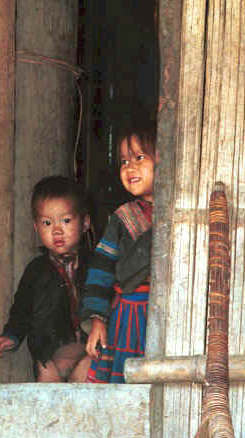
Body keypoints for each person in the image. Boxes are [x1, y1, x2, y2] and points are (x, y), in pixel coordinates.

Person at [0, 176, 92, 382]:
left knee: (82, 402)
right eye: (47, 223)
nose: (57, 230)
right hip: (49, 358)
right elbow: (22, 310)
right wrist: (11, 336)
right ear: (36, 227)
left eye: (66, 220)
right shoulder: (36, 270)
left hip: (87, 354)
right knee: (48, 407)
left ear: (85, 222)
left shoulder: (97, 266)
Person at [80, 118, 157, 383]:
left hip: (168, 318)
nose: (130, 167)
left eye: (140, 157)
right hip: (129, 319)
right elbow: (100, 272)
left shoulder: (181, 216)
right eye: (124, 161)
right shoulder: (123, 218)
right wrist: (98, 321)